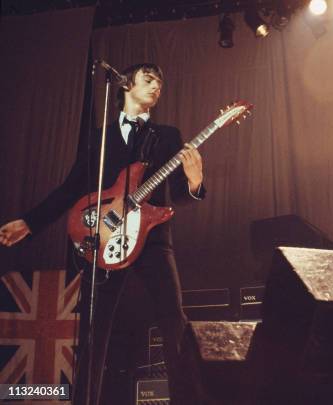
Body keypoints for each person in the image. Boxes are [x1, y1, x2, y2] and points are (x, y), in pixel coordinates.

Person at [0, 63, 204, 405]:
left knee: (174, 324)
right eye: (149, 79)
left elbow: (180, 195)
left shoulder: (168, 135)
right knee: (93, 336)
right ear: (126, 85)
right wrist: (30, 222)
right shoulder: (100, 137)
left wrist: (195, 181)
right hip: (105, 240)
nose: (157, 86)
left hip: (153, 241)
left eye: (161, 83)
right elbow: (70, 191)